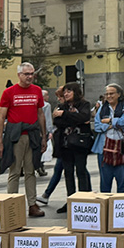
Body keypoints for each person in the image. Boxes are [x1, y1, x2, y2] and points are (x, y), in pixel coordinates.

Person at [0, 62, 47, 218]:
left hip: (32, 135)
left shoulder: (37, 91)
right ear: (19, 75)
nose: (30, 77)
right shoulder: (9, 92)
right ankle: (12, 204)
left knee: (31, 170)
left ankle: (32, 204)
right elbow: (1, 117)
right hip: (16, 135)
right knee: (15, 170)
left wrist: (44, 136)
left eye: (32, 74)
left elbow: (40, 114)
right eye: (26, 74)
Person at [46, 83, 94, 211]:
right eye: (65, 92)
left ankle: (84, 200)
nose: (66, 94)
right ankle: (71, 200)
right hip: (65, 144)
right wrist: (71, 117)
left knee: (81, 171)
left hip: (80, 144)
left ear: (76, 92)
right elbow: (57, 121)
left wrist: (65, 115)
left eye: (69, 91)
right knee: (68, 173)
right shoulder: (62, 106)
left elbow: (84, 116)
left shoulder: (84, 104)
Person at [92, 83, 124, 193]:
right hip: (104, 146)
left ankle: (121, 206)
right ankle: (106, 206)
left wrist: (109, 121)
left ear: (119, 94)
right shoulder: (102, 108)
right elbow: (97, 126)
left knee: (122, 178)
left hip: (122, 145)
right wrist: (113, 124)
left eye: (111, 93)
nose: (109, 96)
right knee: (105, 180)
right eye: (107, 94)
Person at [37, 90, 52, 177]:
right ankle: (40, 166)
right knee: (42, 149)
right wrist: (49, 130)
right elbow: (47, 118)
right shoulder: (46, 105)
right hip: (43, 130)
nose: (48, 97)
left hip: (34, 129)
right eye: (47, 95)